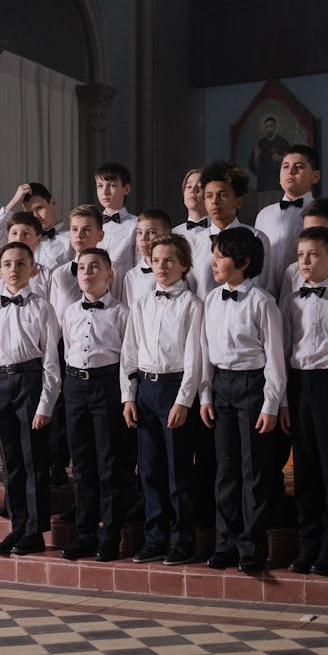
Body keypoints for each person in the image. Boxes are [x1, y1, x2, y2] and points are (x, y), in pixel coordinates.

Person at [199, 228, 285, 574]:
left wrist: (271, 403)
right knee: (225, 471)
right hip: (221, 387)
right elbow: (205, 351)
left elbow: (276, 358)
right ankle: (225, 545)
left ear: (244, 262)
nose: (214, 263)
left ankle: (251, 547)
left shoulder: (263, 302)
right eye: (214, 255)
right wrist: (205, 393)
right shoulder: (210, 300)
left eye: (220, 256)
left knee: (254, 472)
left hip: (253, 386)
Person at [278, 226, 328, 576]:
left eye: (312, 255)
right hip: (299, 385)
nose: (305, 261)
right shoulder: (290, 300)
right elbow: (280, 351)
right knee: (304, 469)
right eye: (300, 255)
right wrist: (282, 399)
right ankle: (308, 540)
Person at [121, 234, 204, 566]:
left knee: (178, 471)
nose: (162, 266)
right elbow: (130, 352)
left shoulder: (192, 305)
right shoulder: (141, 303)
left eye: (169, 260)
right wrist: (129, 396)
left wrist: (183, 401)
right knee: (150, 470)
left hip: (174, 389)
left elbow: (195, 358)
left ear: (184, 265)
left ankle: (182, 539)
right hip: (146, 389)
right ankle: (154, 536)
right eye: (156, 260)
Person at [0, 243, 62, 557]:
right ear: (0, 270)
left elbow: (52, 363)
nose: (14, 269)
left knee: (33, 461)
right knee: (10, 462)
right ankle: (17, 525)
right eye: (8, 263)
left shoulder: (43, 307)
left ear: (33, 269)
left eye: (21, 263)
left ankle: (35, 532)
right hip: (0, 381)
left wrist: (45, 404)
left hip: (30, 380)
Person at [59, 248, 130, 561]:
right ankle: (85, 534)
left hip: (108, 385)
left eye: (95, 267)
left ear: (109, 274)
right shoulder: (70, 312)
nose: (87, 273)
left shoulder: (122, 313)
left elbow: (129, 359)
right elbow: (69, 349)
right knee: (82, 463)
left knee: (109, 463)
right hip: (75, 385)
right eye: (82, 268)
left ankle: (110, 536)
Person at [187, 160, 274, 298]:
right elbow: (191, 290)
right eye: (209, 196)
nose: (215, 201)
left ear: (238, 201)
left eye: (223, 195)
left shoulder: (257, 238)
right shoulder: (195, 242)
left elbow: (266, 285)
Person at [254, 144, 320, 296]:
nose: (290, 171)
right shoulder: (264, 215)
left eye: (299, 166)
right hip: (265, 295)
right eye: (285, 166)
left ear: (315, 176)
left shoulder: (322, 212)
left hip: (305, 295)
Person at [0, 182, 69, 269]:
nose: (36, 216)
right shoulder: (19, 238)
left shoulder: (71, 239)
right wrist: (14, 201)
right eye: (30, 213)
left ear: (53, 202)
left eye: (39, 208)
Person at [0, 211, 52, 307]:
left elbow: (52, 311)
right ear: (8, 237)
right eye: (14, 233)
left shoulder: (47, 276)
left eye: (26, 234)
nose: (19, 238)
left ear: (38, 239)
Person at [126, 208, 192, 306]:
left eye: (151, 232)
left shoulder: (179, 271)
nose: (143, 238)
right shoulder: (131, 276)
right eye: (139, 233)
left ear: (167, 235)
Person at [94, 162, 139, 272]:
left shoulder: (137, 224)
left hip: (124, 286)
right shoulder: (92, 224)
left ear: (126, 189)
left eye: (112, 185)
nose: (105, 192)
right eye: (100, 186)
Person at [248, 115, 290, 192]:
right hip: (264, 183)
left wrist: (281, 158)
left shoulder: (283, 142)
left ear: (275, 127)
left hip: (279, 182)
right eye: (267, 127)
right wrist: (256, 157)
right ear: (264, 129)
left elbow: (291, 161)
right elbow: (254, 167)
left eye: (271, 126)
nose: (269, 129)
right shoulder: (260, 144)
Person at [173, 168, 209, 235]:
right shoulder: (174, 234)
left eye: (200, 186)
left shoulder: (220, 231)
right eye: (189, 186)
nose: (193, 190)